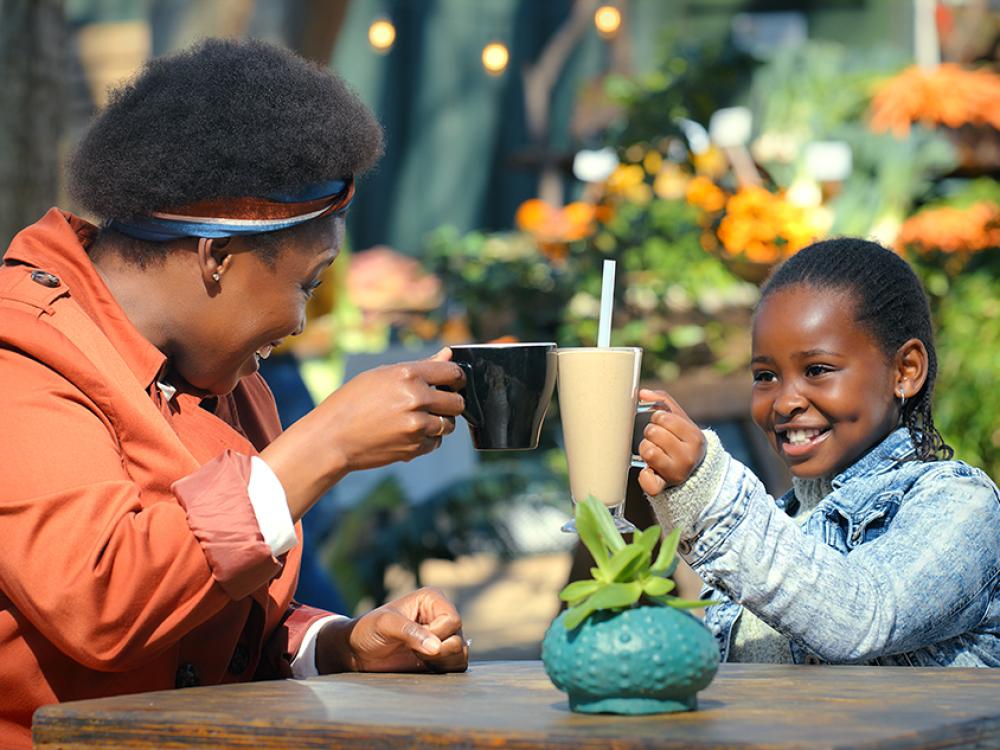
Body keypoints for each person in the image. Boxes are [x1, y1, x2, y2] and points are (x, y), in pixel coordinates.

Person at [0, 39, 468, 747]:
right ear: (216, 255)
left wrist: (340, 644)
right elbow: (103, 599)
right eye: (307, 284)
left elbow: (209, 615)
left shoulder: (227, 378)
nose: (301, 321)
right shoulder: (22, 356)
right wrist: (323, 444)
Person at [635, 237, 1000, 667]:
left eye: (817, 370)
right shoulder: (774, 526)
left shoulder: (961, 505)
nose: (786, 401)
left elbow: (862, 618)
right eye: (766, 375)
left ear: (905, 370)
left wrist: (711, 490)